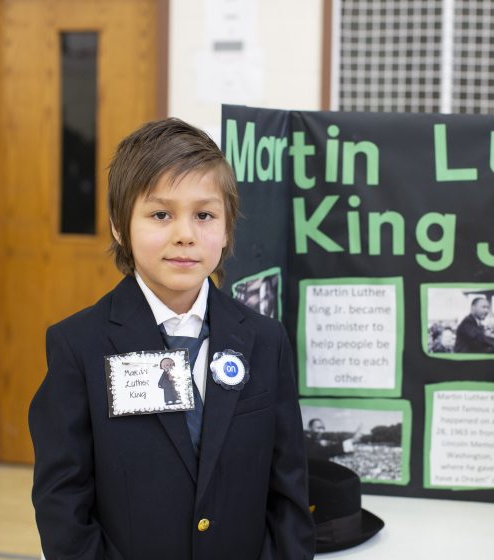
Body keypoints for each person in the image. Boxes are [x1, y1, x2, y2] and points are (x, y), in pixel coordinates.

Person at [29, 118, 315, 559]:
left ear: (226, 228)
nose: (185, 234)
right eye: (161, 214)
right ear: (120, 227)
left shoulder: (264, 340)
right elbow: (62, 505)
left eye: (204, 215)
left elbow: (289, 496)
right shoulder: (78, 346)